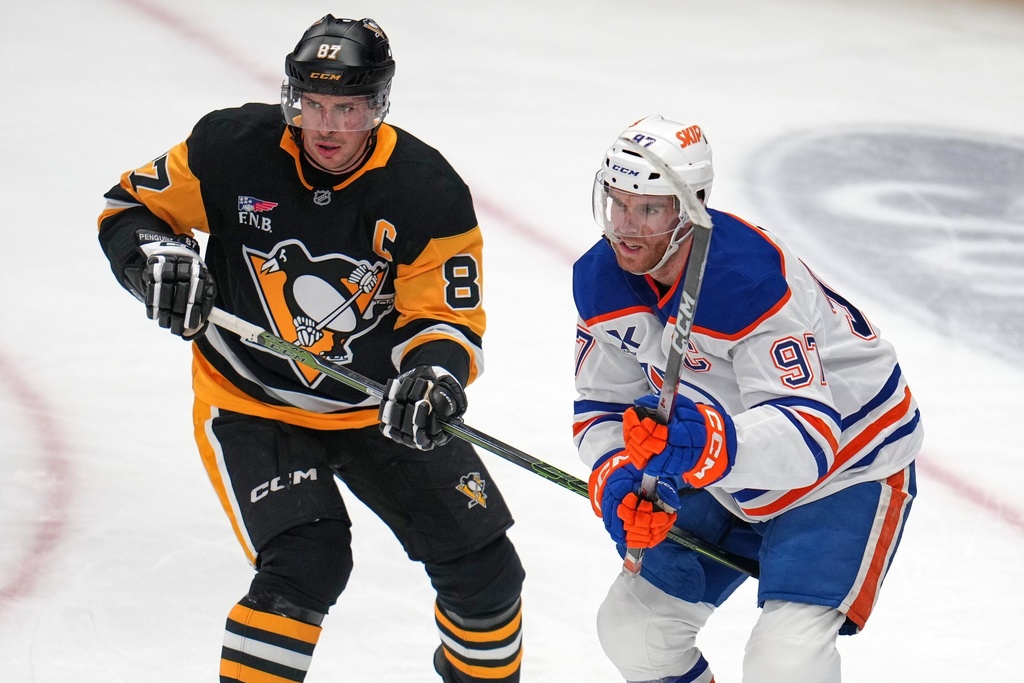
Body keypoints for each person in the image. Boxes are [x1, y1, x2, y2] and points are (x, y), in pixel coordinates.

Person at [97, 15, 525, 683]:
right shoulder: (233, 149)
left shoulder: (425, 190)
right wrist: (153, 257)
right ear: (291, 98)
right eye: (313, 105)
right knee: (306, 560)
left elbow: (445, 318)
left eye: (347, 109)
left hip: (377, 408)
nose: (326, 126)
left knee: (486, 573)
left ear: (378, 107)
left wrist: (432, 377)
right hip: (251, 401)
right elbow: (130, 208)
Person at [574, 115, 922, 683]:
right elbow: (603, 405)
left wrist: (705, 442)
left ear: (692, 206)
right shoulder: (600, 280)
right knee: (632, 630)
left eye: (649, 209)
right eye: (617, 203)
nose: (625, 228)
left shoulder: (748, 281)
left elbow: (810, 437)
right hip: (722, 464)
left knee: (784, 664)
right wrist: (618, 477)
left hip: (846, 469)